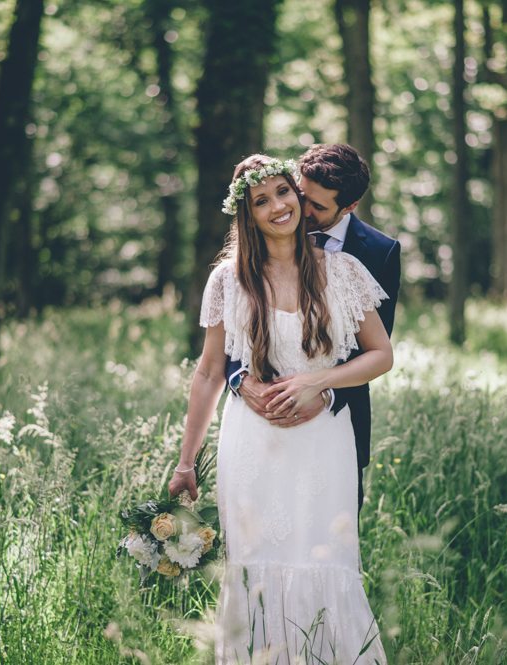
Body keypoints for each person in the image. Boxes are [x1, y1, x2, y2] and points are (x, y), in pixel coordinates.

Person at [168, 154, 392, 663]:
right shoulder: (227, 279)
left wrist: (322, 382)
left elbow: (382, 355)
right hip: (252, 443)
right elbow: (208, 372)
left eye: (283, 193)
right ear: (246, 214)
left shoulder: (343, 270)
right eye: (260, 201)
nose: (277, 207)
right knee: (256, 566)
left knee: (326, 563)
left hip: (323, 442)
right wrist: (186, 463)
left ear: (298, 195)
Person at [225, 144, 401, 510]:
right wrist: (243, 380)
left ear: (348, 207)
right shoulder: (267, 225)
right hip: (260, 419)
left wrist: (324, 392)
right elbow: (229, 329)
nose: (300, 210)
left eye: (318, 207)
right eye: (301, 194)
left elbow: (371, 350)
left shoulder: (379, 253)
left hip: (336, 418)